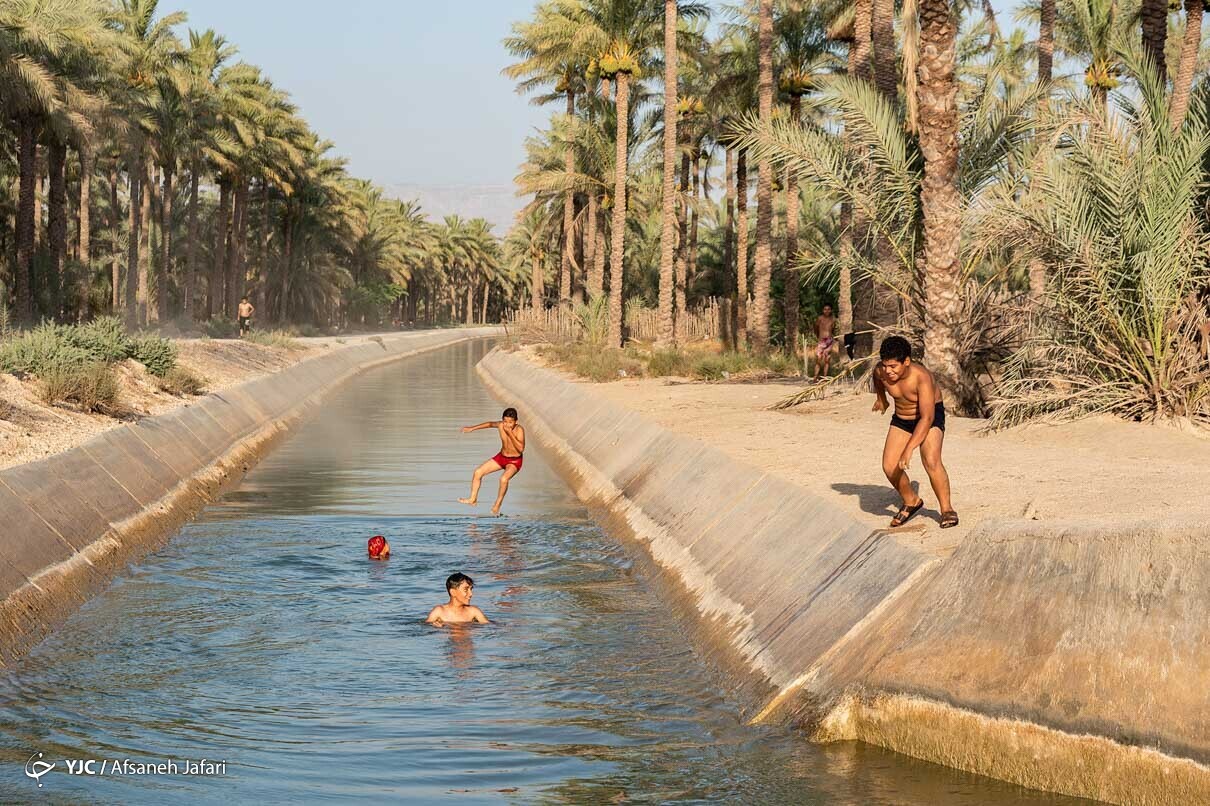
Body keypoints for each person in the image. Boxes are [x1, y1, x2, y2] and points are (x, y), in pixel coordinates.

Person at [872, 336, 959, 529]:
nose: (888, 371)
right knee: (889, 466)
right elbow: (877, 378)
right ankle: (911, 500)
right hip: (902, 419)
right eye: (886, 365)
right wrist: (881, 399)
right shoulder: (881, 372)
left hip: (929, 417)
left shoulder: (921, 377)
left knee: (930, 460)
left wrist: (909, 448)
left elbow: (926, 418)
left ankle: (947, 509)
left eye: (893, 366)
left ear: (907, 362)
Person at [458, 407, 525, 516]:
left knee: (503, 479)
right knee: (478, 472)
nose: (507, 424)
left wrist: (510, 434)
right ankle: (473, 499)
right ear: (502, 420)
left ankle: (497, 504)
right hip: (501, 457)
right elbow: (489, 424)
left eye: (510, 422)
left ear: (516, 421)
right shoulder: (500, 425)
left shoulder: (519, 430)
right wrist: (472, 428)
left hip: (514, 461)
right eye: (505, 421)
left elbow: (521, 449)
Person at [813, 304, 837, 380]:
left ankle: (824, 377)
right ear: (823, 310)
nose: (827, 311)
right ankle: (815, 376)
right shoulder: (820, 318)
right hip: (821, 341)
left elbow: (833, 330)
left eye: (828, 309)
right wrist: (819, 337)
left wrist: (831, 340)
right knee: (818, 358)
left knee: (827, 360)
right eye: (825, 309)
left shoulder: (833, 319)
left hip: (829, 341)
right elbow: (816, 328)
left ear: (831, 310)